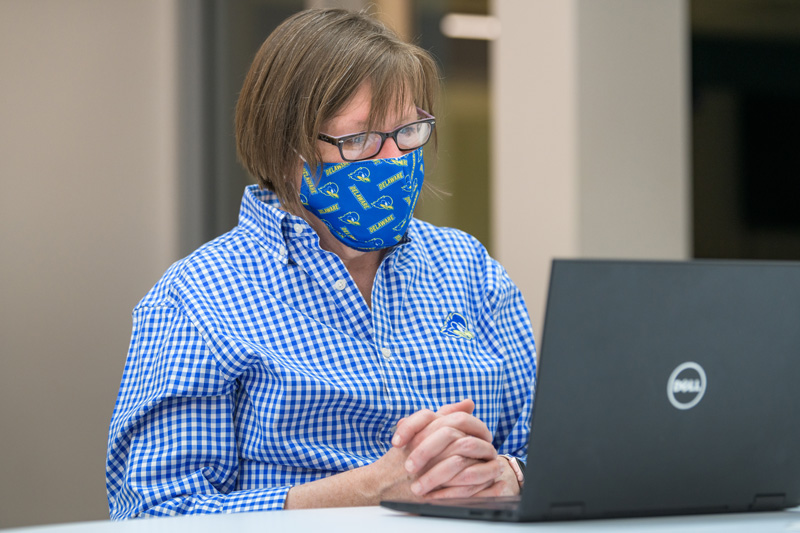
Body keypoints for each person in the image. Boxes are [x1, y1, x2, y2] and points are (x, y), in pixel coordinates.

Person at [106, 8, 536, 519]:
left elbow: (553, 447)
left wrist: (506, 475)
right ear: (285, 148)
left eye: (409, 132)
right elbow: (155, 514)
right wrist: (373, 488)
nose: (392, 159)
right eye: (357, 141)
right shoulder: (198, 298)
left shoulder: (469, 270)